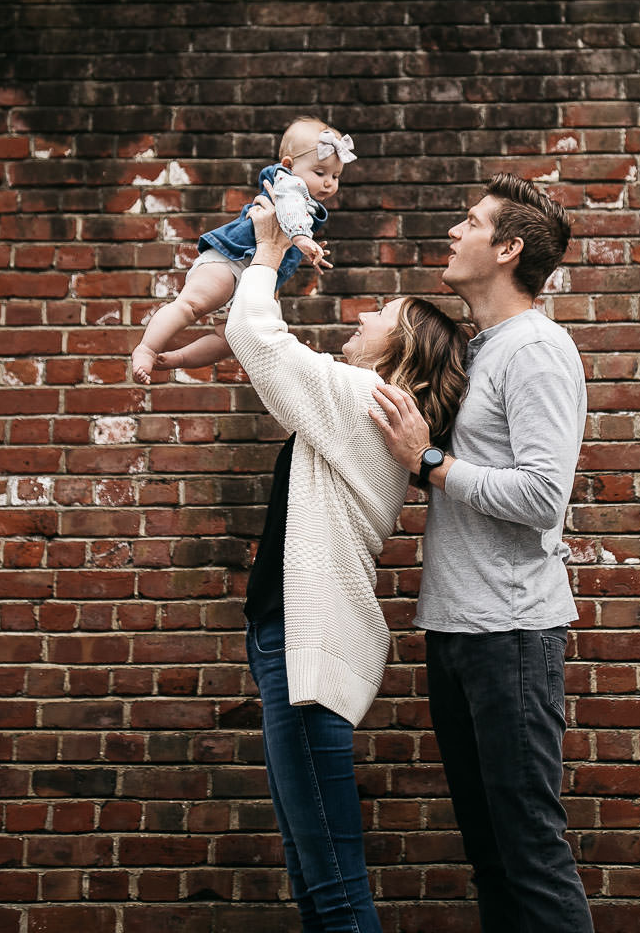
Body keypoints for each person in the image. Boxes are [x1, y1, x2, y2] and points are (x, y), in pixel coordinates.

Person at [225, 187, 470, 933]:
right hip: (296, 648)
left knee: (331, 888)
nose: (361, 317)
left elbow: (256, 339)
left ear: (400, 351)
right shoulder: (368, 406)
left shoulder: (370, 398)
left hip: (309, 656)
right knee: (315, 879)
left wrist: (268, 249)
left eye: (380, 316)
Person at [368, 173, 592, 932]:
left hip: (512, 636)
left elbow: (541, 498)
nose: (454, 231)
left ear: (507, 248)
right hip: (461, 630)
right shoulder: (483, 348)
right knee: (492, 857)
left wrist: (427, 461)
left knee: (529, 854)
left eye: (470, 222)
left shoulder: (537, 349)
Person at [131, 115, 355, 384]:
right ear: (288, 165)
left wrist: (306, 250)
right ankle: (147, 348)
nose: (329, 182)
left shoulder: (307, 202)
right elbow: (288, 209)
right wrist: (301, 238)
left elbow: (284, 231)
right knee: (190, 307)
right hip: (230, 261)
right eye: (320, 173)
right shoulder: (286, 182)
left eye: (335, 175)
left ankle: (177, 359)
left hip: (247, 281)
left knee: (228, 340)